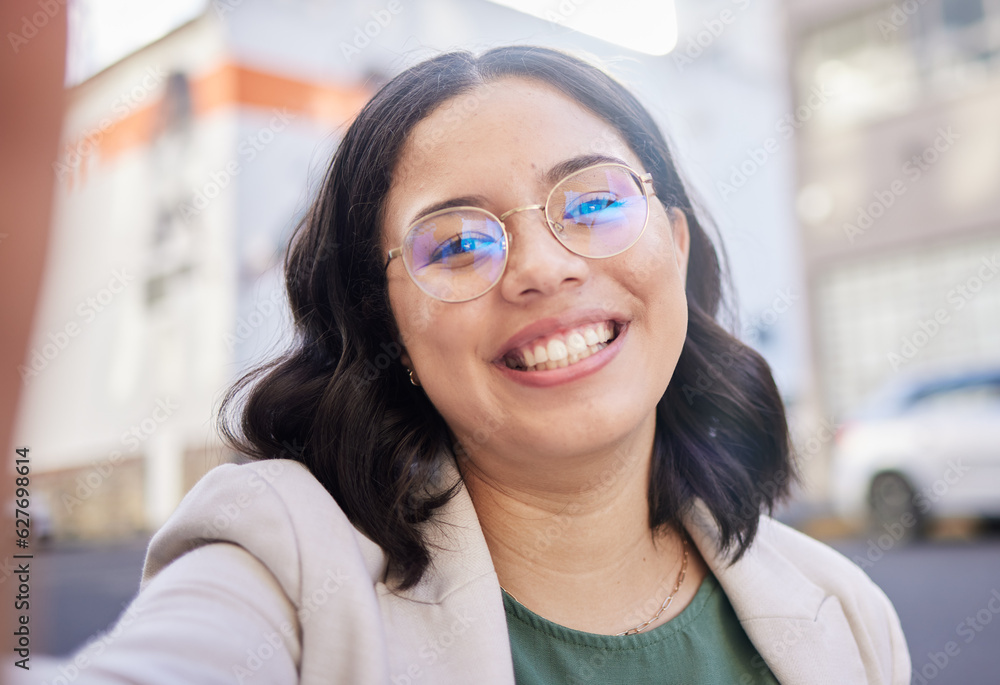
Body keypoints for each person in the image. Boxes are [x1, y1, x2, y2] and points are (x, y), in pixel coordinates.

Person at [19, 45, 910, 684]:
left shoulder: (850, 616)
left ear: (674, 246)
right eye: (456, 244)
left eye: (594, 199)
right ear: (387, 325)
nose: (542, 267)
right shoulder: (284, 570)